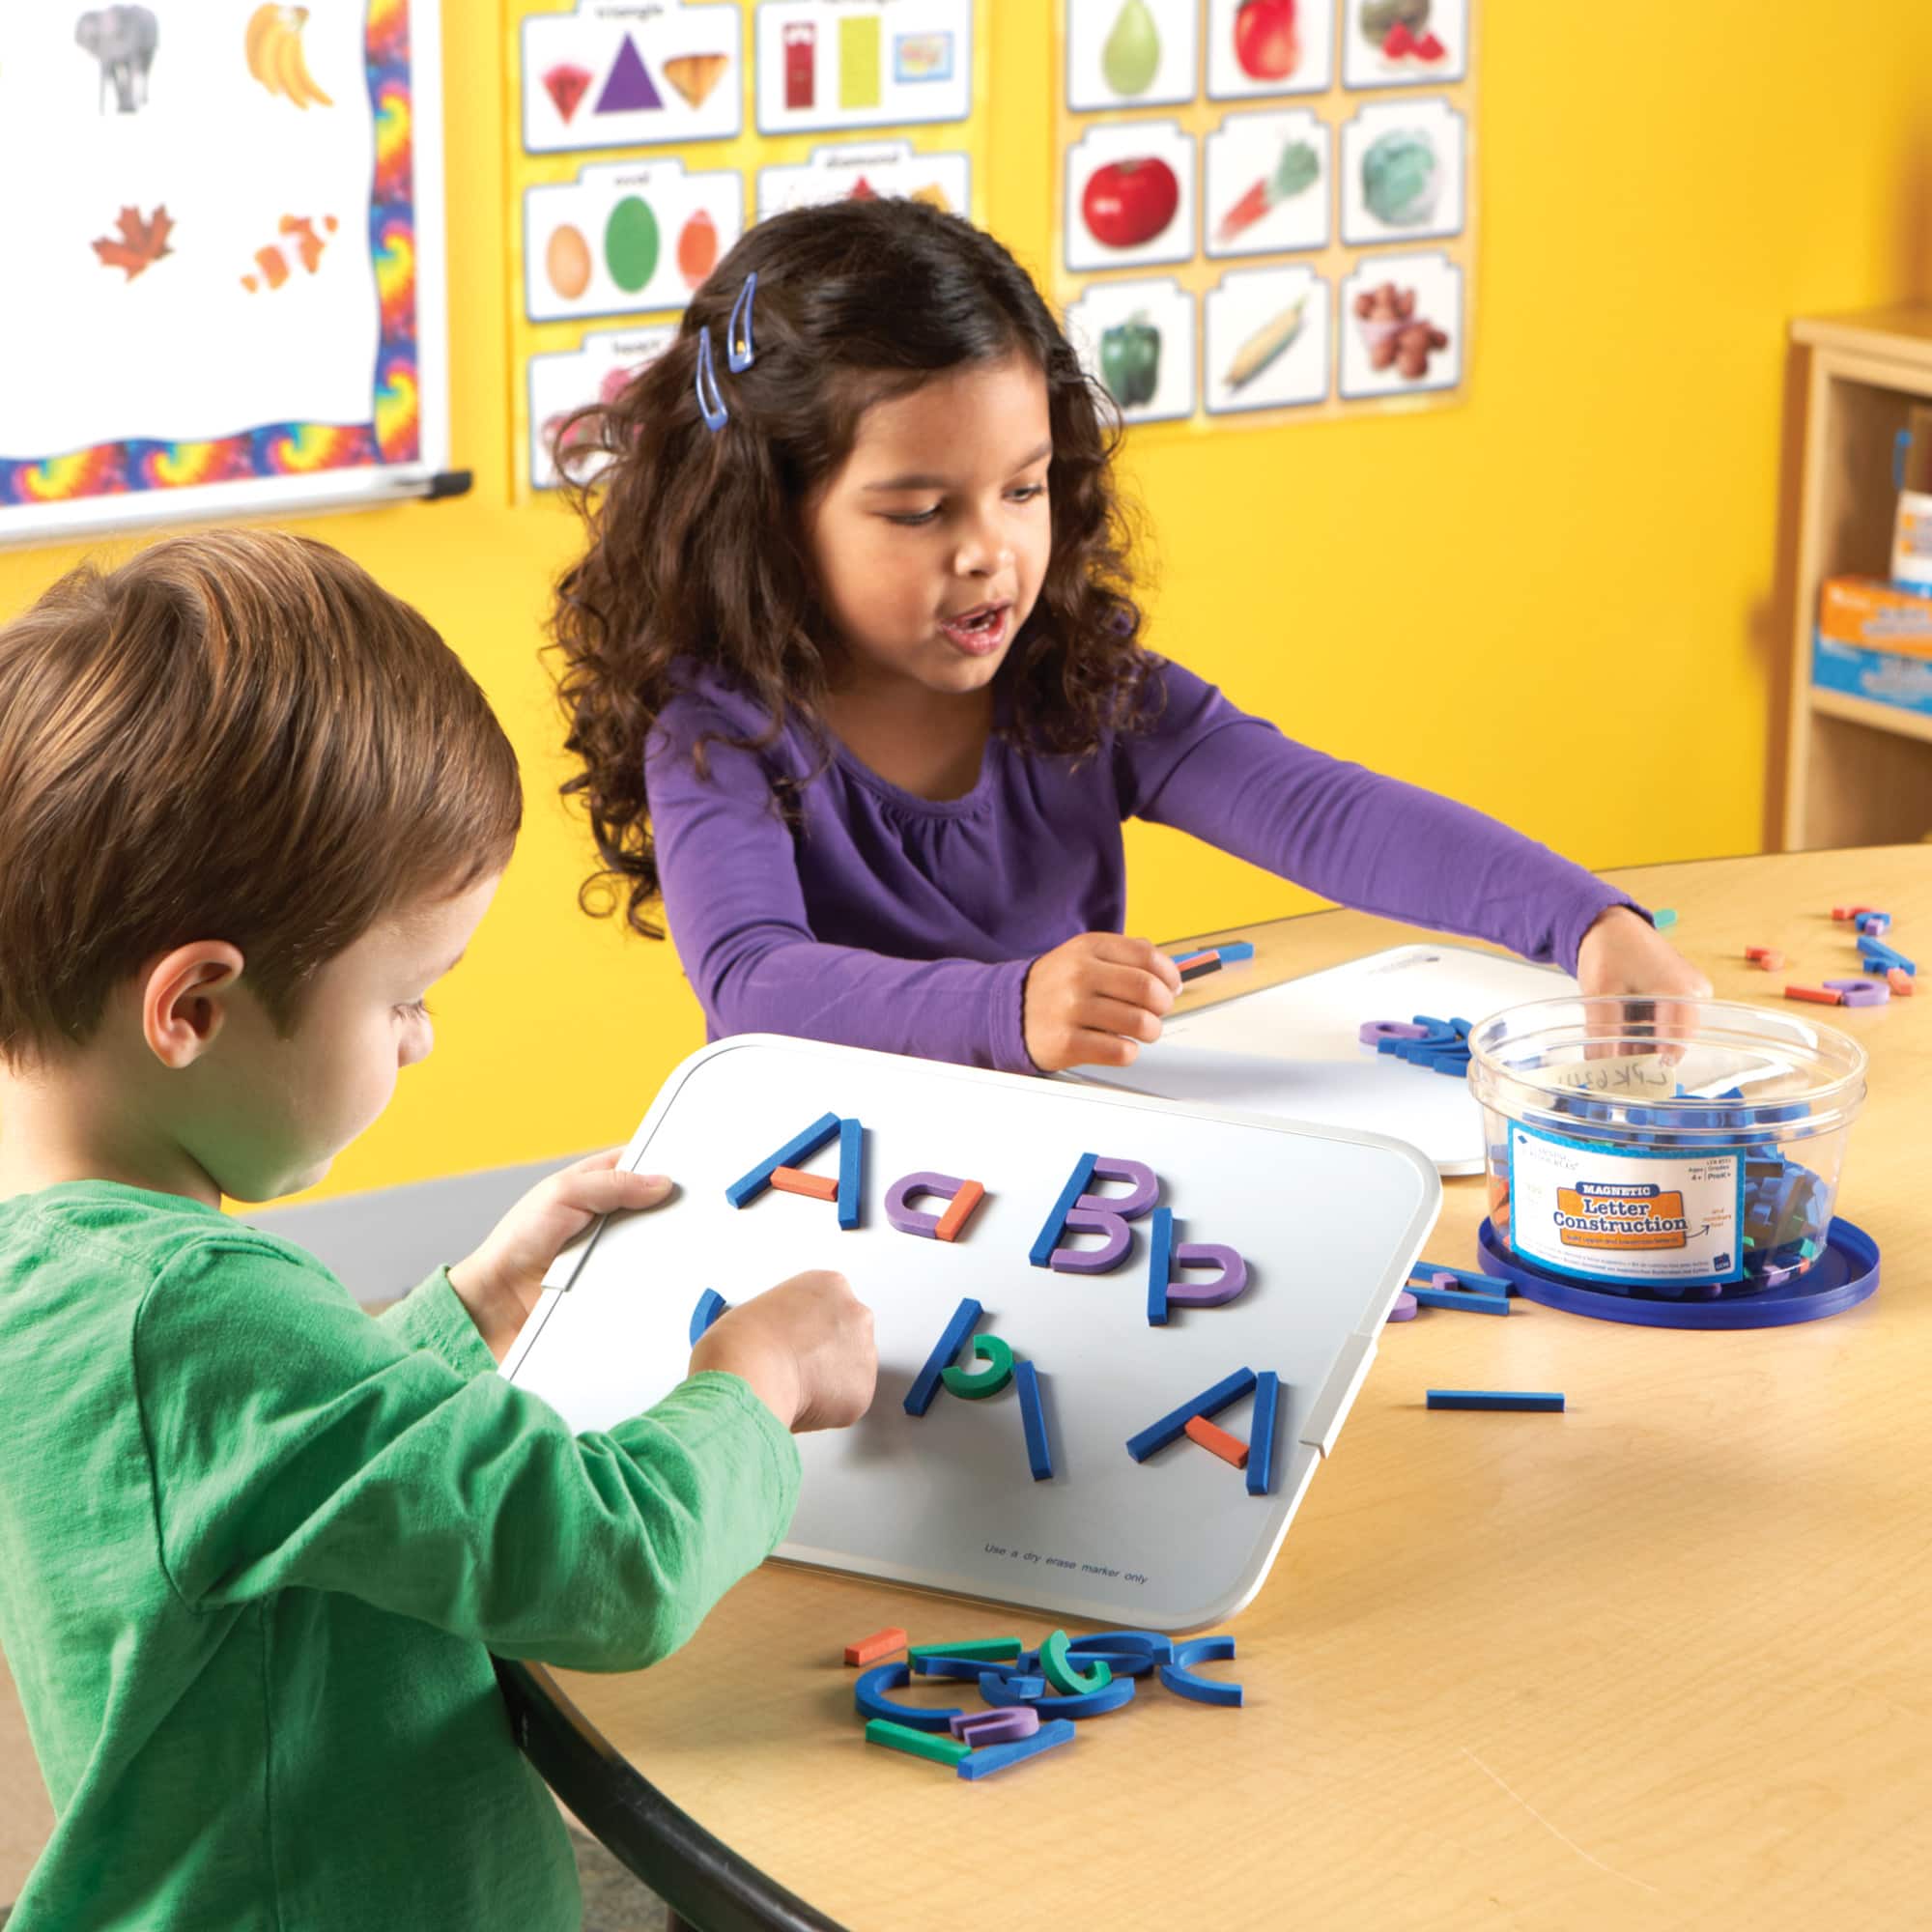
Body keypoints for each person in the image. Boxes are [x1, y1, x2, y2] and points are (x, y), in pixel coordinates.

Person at [0, 530, 875, 1931]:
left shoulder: (54, 1266)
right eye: (403, 996)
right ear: (193, 1008)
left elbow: (255, 1484)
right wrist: (753, 1387)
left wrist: (463, 1310)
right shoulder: (205, 1317)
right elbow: (605, 1566)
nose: (420, 1043)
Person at [549, 199, 1707, 1073]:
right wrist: (1006, 1008)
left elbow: (1320, 807)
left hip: (1062, 1164)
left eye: (1022, 489)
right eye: (918, 510)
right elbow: (754, 981)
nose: (987, 551)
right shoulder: (722, 731)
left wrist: (1585, 921)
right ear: (764, 511)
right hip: (817, 1184)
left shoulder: (1077, 685)